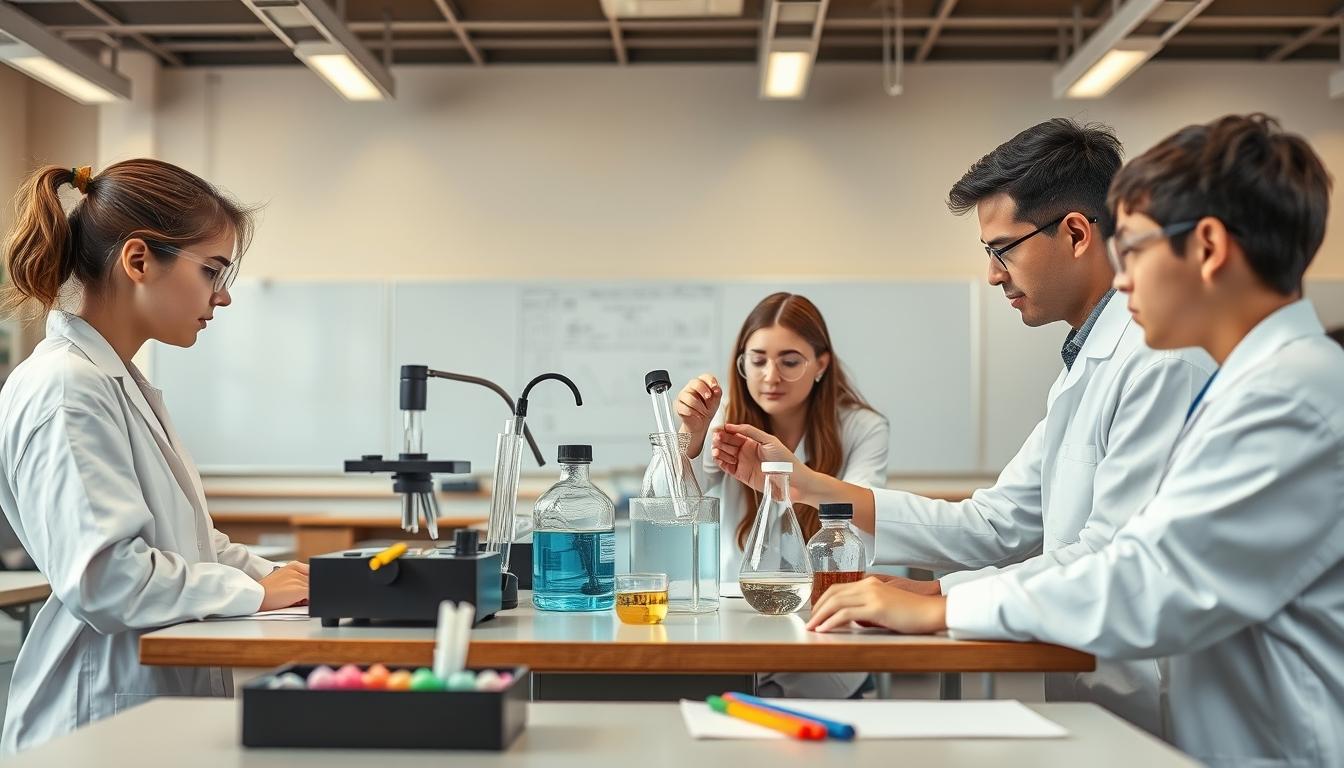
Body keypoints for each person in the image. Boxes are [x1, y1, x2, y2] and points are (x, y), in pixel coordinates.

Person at [808, 114, 1344, 767]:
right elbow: (1122, 553)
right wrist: (946, 598)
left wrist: (946, 607)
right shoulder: (1257, 384)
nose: (1122, 278)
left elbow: (1148, 576)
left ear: (1206, 248)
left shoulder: (1286, 397)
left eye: (1138, 248)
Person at [712, 119, 1214, 734]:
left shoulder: (1157, 361)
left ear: (1077, 233)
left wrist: (943, 602)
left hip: (1167, 711)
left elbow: (1107, 557)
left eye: (1001, 250)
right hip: (1106, 694)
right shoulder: (1087, 364)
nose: (993, 275)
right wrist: (808, 484)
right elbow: (994, 524)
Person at [0, 161, 310, 754]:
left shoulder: (115, 382)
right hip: (95, 718)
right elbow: (104, 579)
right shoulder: (67, 389)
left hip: (140, 701)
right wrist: (254, 594)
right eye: (212, 270)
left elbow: (191, 545)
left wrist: (274, 576)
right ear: (139, 260)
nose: (223, 296)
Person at [649, 291, 887, 698]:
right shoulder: (723, 423)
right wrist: (689, 436)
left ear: (821, 365)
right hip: (734, 626)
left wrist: (797, 478)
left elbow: (865, 519)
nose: (771, 375)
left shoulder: (861, 427)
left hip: (822, 634)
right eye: (757, 360)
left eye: (790, 361)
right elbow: (667, 504)